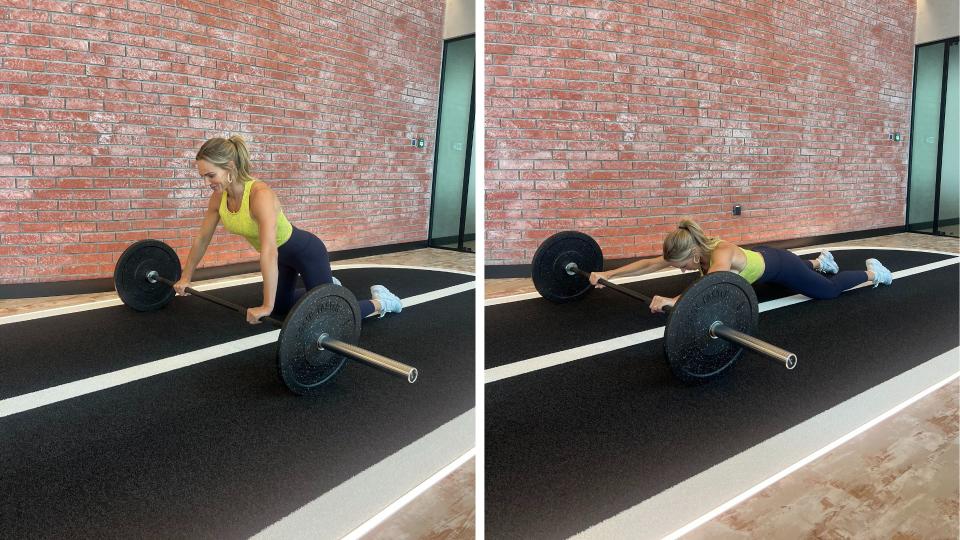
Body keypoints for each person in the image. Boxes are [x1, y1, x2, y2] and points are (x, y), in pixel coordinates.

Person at [173, 136, 403, 324]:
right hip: (282, 259)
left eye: (210, 175)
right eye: (203, 176)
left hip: (306, 252)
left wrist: (265, 305)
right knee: (280, 308)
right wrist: (186, 277)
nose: (206, 182)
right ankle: (326, 287)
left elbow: (269, 251)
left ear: (230, 167)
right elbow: (202, 239)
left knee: (326, 314)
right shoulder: (218, 198)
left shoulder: (259, 195)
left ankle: (382, 301)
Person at [589, 219, 893, 313]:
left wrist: (673, 300)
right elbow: (647, 266)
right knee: (780, 280)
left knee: (826, 292)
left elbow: (706, 284)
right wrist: (608, 273)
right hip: (760, 260)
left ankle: (873, 271)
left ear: (693, 254)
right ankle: (819, 261)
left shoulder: (719, 255)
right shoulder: (697, 250)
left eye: (682, 266)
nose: (680, 270)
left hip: (779, 264)